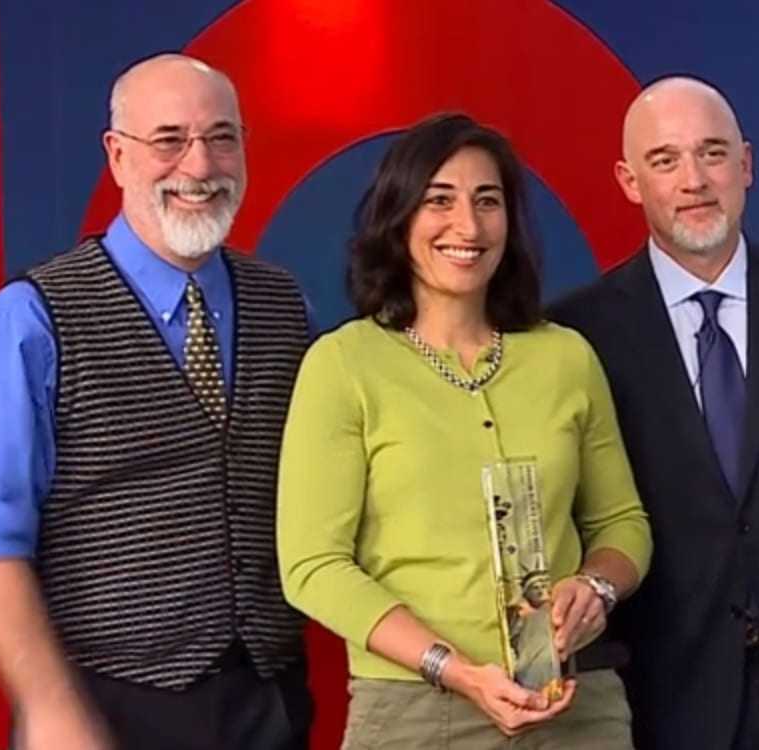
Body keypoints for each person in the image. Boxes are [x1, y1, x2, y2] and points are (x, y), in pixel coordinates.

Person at [0, 53, 314, 750]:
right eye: (169, 139)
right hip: (105, 710)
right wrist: (48, 708)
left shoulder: (284, 304)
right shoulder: (28, 320)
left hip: (272, 702)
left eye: (221, 137)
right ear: (116, 155)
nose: (199, 166)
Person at [277, 112, 652, 749]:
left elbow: (624, 523)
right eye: (439, 201)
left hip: (576, 707)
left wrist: (595, 588)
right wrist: (453, 670)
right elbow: (313, 566)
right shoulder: (345, 365)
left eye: (488, 201)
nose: (468, 227)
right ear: (397, 219)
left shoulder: (566, 358)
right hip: (415, 715)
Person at [548, 76, 759, 749]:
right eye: (665, 161)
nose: (694, 179)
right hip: (667, 695)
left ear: (747, 165)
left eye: (713, 153)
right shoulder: (579, 334)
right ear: (629, 180)